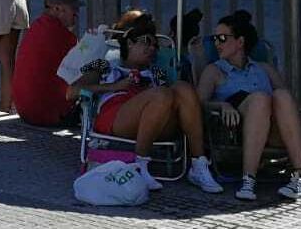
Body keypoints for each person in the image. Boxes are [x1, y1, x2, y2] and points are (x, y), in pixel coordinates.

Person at [73, 11, 224, 194]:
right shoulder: (104, 65)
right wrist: (115, 86)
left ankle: (198, 164)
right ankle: (140, 164)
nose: (152, 48)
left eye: (155, 45)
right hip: (117, 114)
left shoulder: (156, 72)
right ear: (129, 43)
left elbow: (171, 100)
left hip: (156, 118)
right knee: (161, 94)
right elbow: (71, 91)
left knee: (183, 87)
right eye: (146, 41)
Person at [196, 11, 301, 201]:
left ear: (240, 42)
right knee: (259, 100)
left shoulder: (264, 68)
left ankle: (300, 176)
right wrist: (222, 105)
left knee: (282, 95)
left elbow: (290, 103)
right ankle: (248, 179)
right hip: (236, 131)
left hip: (276, 131)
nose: (217, 43)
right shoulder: (214, 71)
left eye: (222, 38)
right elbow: (199, 103)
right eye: (214, 39)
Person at [12, 0, 81, 127]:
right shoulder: (65, 37)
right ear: (57, 9)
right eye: (73, 9)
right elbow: (81, 68)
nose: (76, 14)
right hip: (46, 114)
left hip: (24, 109)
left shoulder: (36, 27)